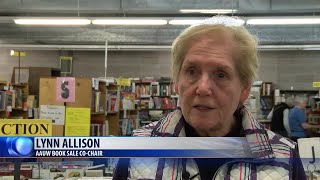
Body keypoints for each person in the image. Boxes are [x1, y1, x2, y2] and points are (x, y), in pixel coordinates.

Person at [113, 16, 306, 180]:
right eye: (191, 71)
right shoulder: (136, 152)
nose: (203, 88)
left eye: (221, 74)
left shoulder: (285, 158)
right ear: (177, 83)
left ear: (244, 89)